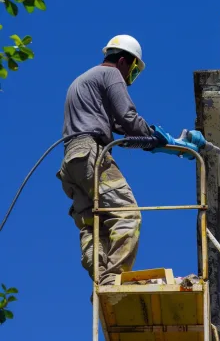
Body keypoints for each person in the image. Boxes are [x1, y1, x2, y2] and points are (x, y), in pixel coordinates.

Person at [56, 35, 201, 290]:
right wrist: (157, 137)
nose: (129, 80)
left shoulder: (83, 81)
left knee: (95, 224)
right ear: (123, 61)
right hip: (92, 153)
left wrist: (159, 140)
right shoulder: (110, 75)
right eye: (132, 71)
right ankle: (113, 281)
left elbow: (120, 127)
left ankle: (101, 280)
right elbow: (128, 117)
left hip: (72, 161)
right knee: (127, 215)